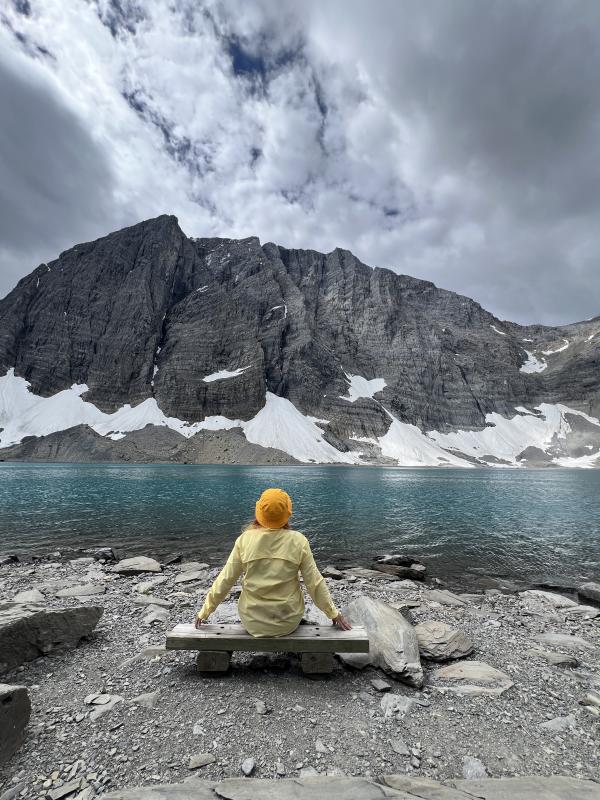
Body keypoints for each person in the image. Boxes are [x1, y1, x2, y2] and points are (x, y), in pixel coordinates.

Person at [194, 487, 351, 637]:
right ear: (287, 514)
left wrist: (205, 611)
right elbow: (314, 583)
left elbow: (226, 579)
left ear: (259, 513)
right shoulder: (299, 541)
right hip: (288, 622)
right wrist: (333, 613)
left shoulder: (244, 540)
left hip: (252, 622)